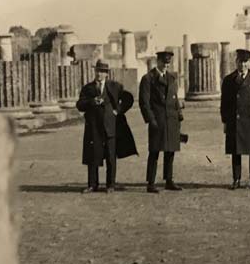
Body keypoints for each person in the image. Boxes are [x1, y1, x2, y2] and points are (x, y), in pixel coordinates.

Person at [76, 60, 138, 192]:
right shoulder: (88, 88)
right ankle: (92, 184)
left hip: (110, 126)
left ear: (106, 74)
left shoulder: (115, 86)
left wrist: (118, 111)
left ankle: (111, 185)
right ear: (95, 72)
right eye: (98, 71)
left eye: (102, 72)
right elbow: (80, 105)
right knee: (93, 156)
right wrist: (92, 101)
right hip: (93, 127)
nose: (99, 74)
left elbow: (128, 98)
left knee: (111, 156)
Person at [220, 48, 250, 189]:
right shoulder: (229, 80)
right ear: (236, 62)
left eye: (245, 62)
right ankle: (236, 179)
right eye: (240, 62)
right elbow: (224, 103)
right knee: (236, 150)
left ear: (249, 63)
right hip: (235, 120)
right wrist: (225, 121)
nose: (243, 65)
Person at [138, 49, 184, 193]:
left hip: (171, 120)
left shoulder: (171, 78)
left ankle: (168, 180)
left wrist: (179, 114)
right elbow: (144, 102)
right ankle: (150, 183)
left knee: (170, 151)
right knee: (154, 151)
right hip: (157, 120)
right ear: (157, 61)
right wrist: (151, 120)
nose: (166, 66)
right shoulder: (148, 78)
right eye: (163, 63)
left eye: (168, 63)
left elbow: (175, 98)